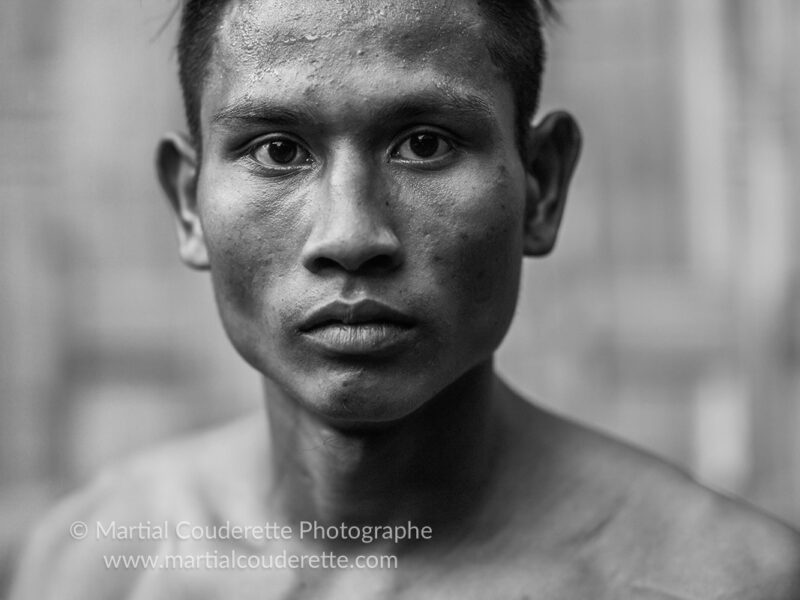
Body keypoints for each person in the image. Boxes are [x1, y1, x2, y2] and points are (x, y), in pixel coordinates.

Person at [10, 0, 800, 598]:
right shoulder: (89, 566)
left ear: (541, 187)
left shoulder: (723, 582)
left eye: (425, 143)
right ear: (190, 205)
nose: (351, 236)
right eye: (278, 150)